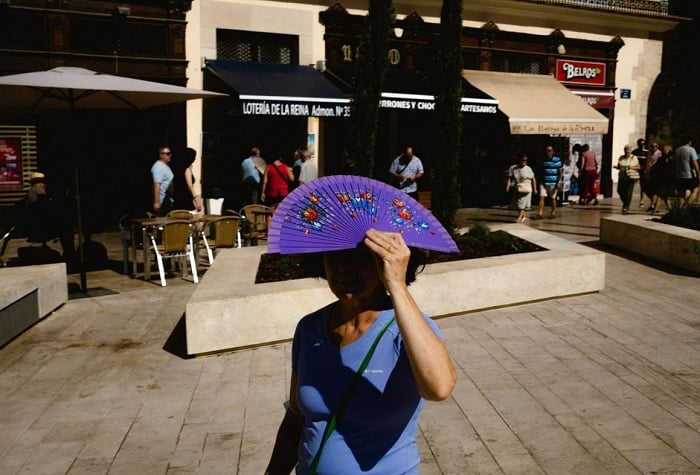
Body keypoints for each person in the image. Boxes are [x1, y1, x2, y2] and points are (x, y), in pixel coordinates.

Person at [265, 229, 456, 474]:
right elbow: (295, 419)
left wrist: (397, 286)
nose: (344, 266)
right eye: (334, 254)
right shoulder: (309, 328)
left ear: (384, 261)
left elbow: (439, 388)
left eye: (360, 255)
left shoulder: (408, 330)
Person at [15, 171, 75, 262]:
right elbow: (45, 206)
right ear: (38, 182)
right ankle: (70, 256)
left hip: (36, 224)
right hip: (40, 226)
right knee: (66, 228)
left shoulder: (33, 191)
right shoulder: (38, 189)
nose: (45, 184)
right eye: (43, 182)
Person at [506, 152, 537, 223]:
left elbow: (533, 179)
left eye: (525, 160)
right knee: (519, 203)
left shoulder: (528, 169)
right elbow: (510, 178)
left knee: (521, 203)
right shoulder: (514, 169)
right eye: (523, 160)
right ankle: (524, 216)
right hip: (518, 187)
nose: (524, 162)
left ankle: (519, 217)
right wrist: (508, 185)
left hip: (527, 188)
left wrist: (535, 189)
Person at [534, 145, 562, 219]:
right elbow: (541, 170)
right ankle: (540, 213)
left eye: (549, 150)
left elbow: (560, 171)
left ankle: (553, 212)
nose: (547, 152)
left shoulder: (557, 160)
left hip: (553, 182)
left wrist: (559, 181)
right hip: (544, 182)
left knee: (553, 198)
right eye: (546, 150)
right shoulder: (543, 160)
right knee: (541, 197)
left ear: (552, 152)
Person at [172, 147, 202, 212]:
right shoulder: (186, 169)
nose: (194, 159)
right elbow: (190, 186)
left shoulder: (179, 168)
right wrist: (196, 200)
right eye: (194, 156)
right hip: (185, 198)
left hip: (178, 197)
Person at [673, 135, 700, 206]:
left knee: (681, 194)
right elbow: (695, 163)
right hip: (689, 175)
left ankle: (680, 209)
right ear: (690, 142)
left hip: (678, 175)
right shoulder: (691, 149)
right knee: (695, 190)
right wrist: (698, 174)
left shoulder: (677, 150)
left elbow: (674, 162)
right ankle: (686, 207)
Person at [614, 144, 640, 213]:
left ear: (631, 151)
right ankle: (625, 203)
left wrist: (630, 167)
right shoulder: (621, 157)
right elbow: (619, 166)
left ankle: (626, 206)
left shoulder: (634, 158)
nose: (627, 153)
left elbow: (638, 167)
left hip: (630, 176)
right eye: (625, 151)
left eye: (628, 151)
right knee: (620, 191)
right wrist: (616, 167)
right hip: (622, 176)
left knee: (628, 192)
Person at [649, 145, 675, 213]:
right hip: (666, 180)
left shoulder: (660, 159)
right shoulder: (670, 160)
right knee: (661, 195)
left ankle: (670, 209)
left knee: (663, 195)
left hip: (659, 179)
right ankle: (655, 209)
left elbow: (655, 168)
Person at [151, 145, 174, 216]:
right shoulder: (158, 167)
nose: (170, 155)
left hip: (168, 199)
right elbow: (156, 184)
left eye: (170, 153)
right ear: (161, 155)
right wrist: (157, 202)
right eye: (167, 154)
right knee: (164, 222)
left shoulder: (165, 166)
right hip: (163, 199)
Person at [632, 138, 650, 207]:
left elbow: (648, 162)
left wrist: (646, 169)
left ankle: (641, 200)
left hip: (643, 171)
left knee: (642, 186)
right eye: (640, 144)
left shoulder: (647, 152)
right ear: (638, 144)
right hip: (635, 170)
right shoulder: (634, 152)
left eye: (643, 144)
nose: (641, 145)